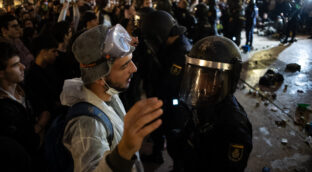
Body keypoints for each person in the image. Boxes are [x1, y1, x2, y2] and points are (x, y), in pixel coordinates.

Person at [60, 24, 163, 171]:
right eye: (124, 65)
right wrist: (125, 150)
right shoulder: (87, 124)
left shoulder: (109, 94)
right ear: (99, 77)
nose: (134, 68)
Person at [178, 36, 253, 171]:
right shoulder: (202, 104)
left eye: (207, 78)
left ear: (229, 79)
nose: (199, 84)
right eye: (195, 76)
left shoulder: (235, 127)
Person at [141, 10, 192, 165]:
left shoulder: (180, 53)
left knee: (174, 143)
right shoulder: (173, 44)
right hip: (165, 102)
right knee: (160, 133)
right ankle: (156, 155)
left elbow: (168, 84)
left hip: (173, 107)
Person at [0, 41, 41, 171]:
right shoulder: (3, 110)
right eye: (15, 65)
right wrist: (42, 126)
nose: (23, 67)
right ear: (1, 73)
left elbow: (44, 108)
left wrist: (39, 126)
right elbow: (29, 143)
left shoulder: (23, 86)